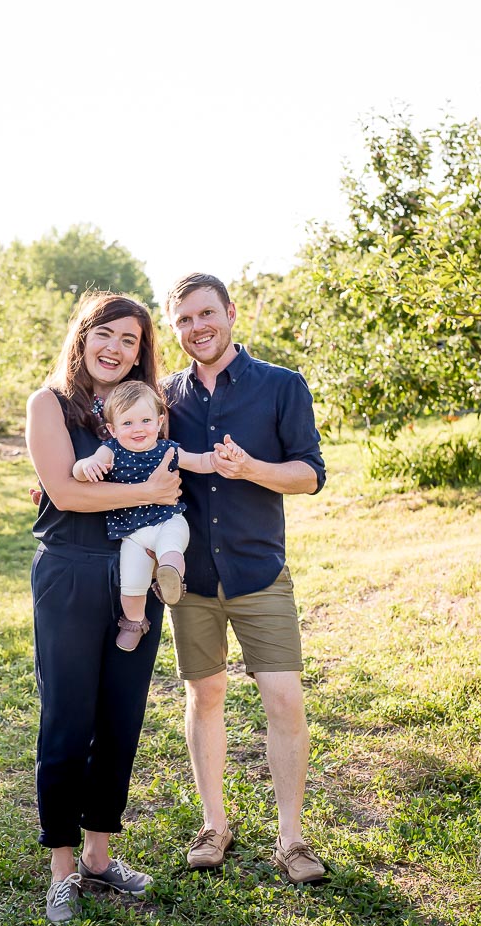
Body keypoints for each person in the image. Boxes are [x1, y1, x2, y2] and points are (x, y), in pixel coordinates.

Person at [163, 272, 328, 885]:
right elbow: (127, 449)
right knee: (204, 696)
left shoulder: (282, 385)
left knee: (283, 698)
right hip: (191, 579)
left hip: (259, 572)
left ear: (231, 313)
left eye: (206, 313)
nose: (197, 327)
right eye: (184, 320)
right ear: (174, 328)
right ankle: (215, 825)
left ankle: (292, 839)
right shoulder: (163, 397)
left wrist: (251, 468)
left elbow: (310, 475)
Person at [25, 291, 181, 923]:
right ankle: (62, 867)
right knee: (67, 718)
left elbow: (177, 476)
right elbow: (65, 495)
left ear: (141, 353)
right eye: (106, 334)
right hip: (70, 573)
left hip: (135, 576)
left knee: (121, 717)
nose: (116, 349)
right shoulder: (49, 404)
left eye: (130, 340)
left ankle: (97, 855)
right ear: (83, 336)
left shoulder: (145, 407)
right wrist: (146, 492)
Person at [73, 380, 240, 651]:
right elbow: (80, 470)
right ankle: (134, 621)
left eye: (146, 420)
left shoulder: (168, 449)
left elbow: (199, 461)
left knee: (171, 548)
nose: (138, 429)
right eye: (127, 423)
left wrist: (218, 458)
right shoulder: (111, 450)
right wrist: (87, 466)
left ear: (160, 421)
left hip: (167, 520)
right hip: (133, 534)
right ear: (113, 429)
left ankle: (170, 578)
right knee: (131, 583)